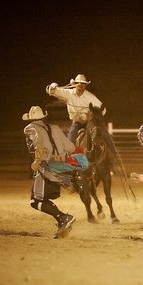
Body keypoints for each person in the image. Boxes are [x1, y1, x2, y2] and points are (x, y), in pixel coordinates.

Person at [22, 105, 77, 238]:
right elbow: (71, 147)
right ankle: (63, 221)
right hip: (61, 166)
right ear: (43, 117)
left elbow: (38, 142)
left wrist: (37, 160)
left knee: (35, 201)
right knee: (44, 198)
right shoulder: (55, 128)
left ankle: (64, 218)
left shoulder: (30, 128)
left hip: (46, 166)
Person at [45, 73, 104, 143]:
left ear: (85, 85)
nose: (80, 84)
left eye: (82, 83)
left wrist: (97, 119)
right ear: (74, 84)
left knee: (104, 137)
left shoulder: (90, 97)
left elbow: (102, 109)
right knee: (69, 142)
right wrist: (52, 87)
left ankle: (113, 152)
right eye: (77, 82)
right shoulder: (68, 94)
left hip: (89, 123)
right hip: (77, 123)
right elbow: (52, 92)